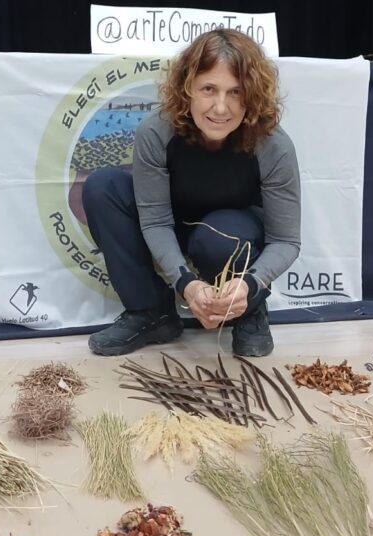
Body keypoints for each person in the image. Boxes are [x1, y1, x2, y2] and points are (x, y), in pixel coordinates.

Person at [82, 28, 301, 357]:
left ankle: (249, 311)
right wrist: (186, 284)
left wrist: (250, 285)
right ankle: (151, 312)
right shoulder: (156, 131)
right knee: (103, 188)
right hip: (172, 223)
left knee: (218, 234)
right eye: (209, 89)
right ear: (187, 88)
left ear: (253, 94)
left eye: (236, 92)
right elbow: (155, 220)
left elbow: (286, 241)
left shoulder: (273, 145)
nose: (221, 107)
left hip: (230, 232)